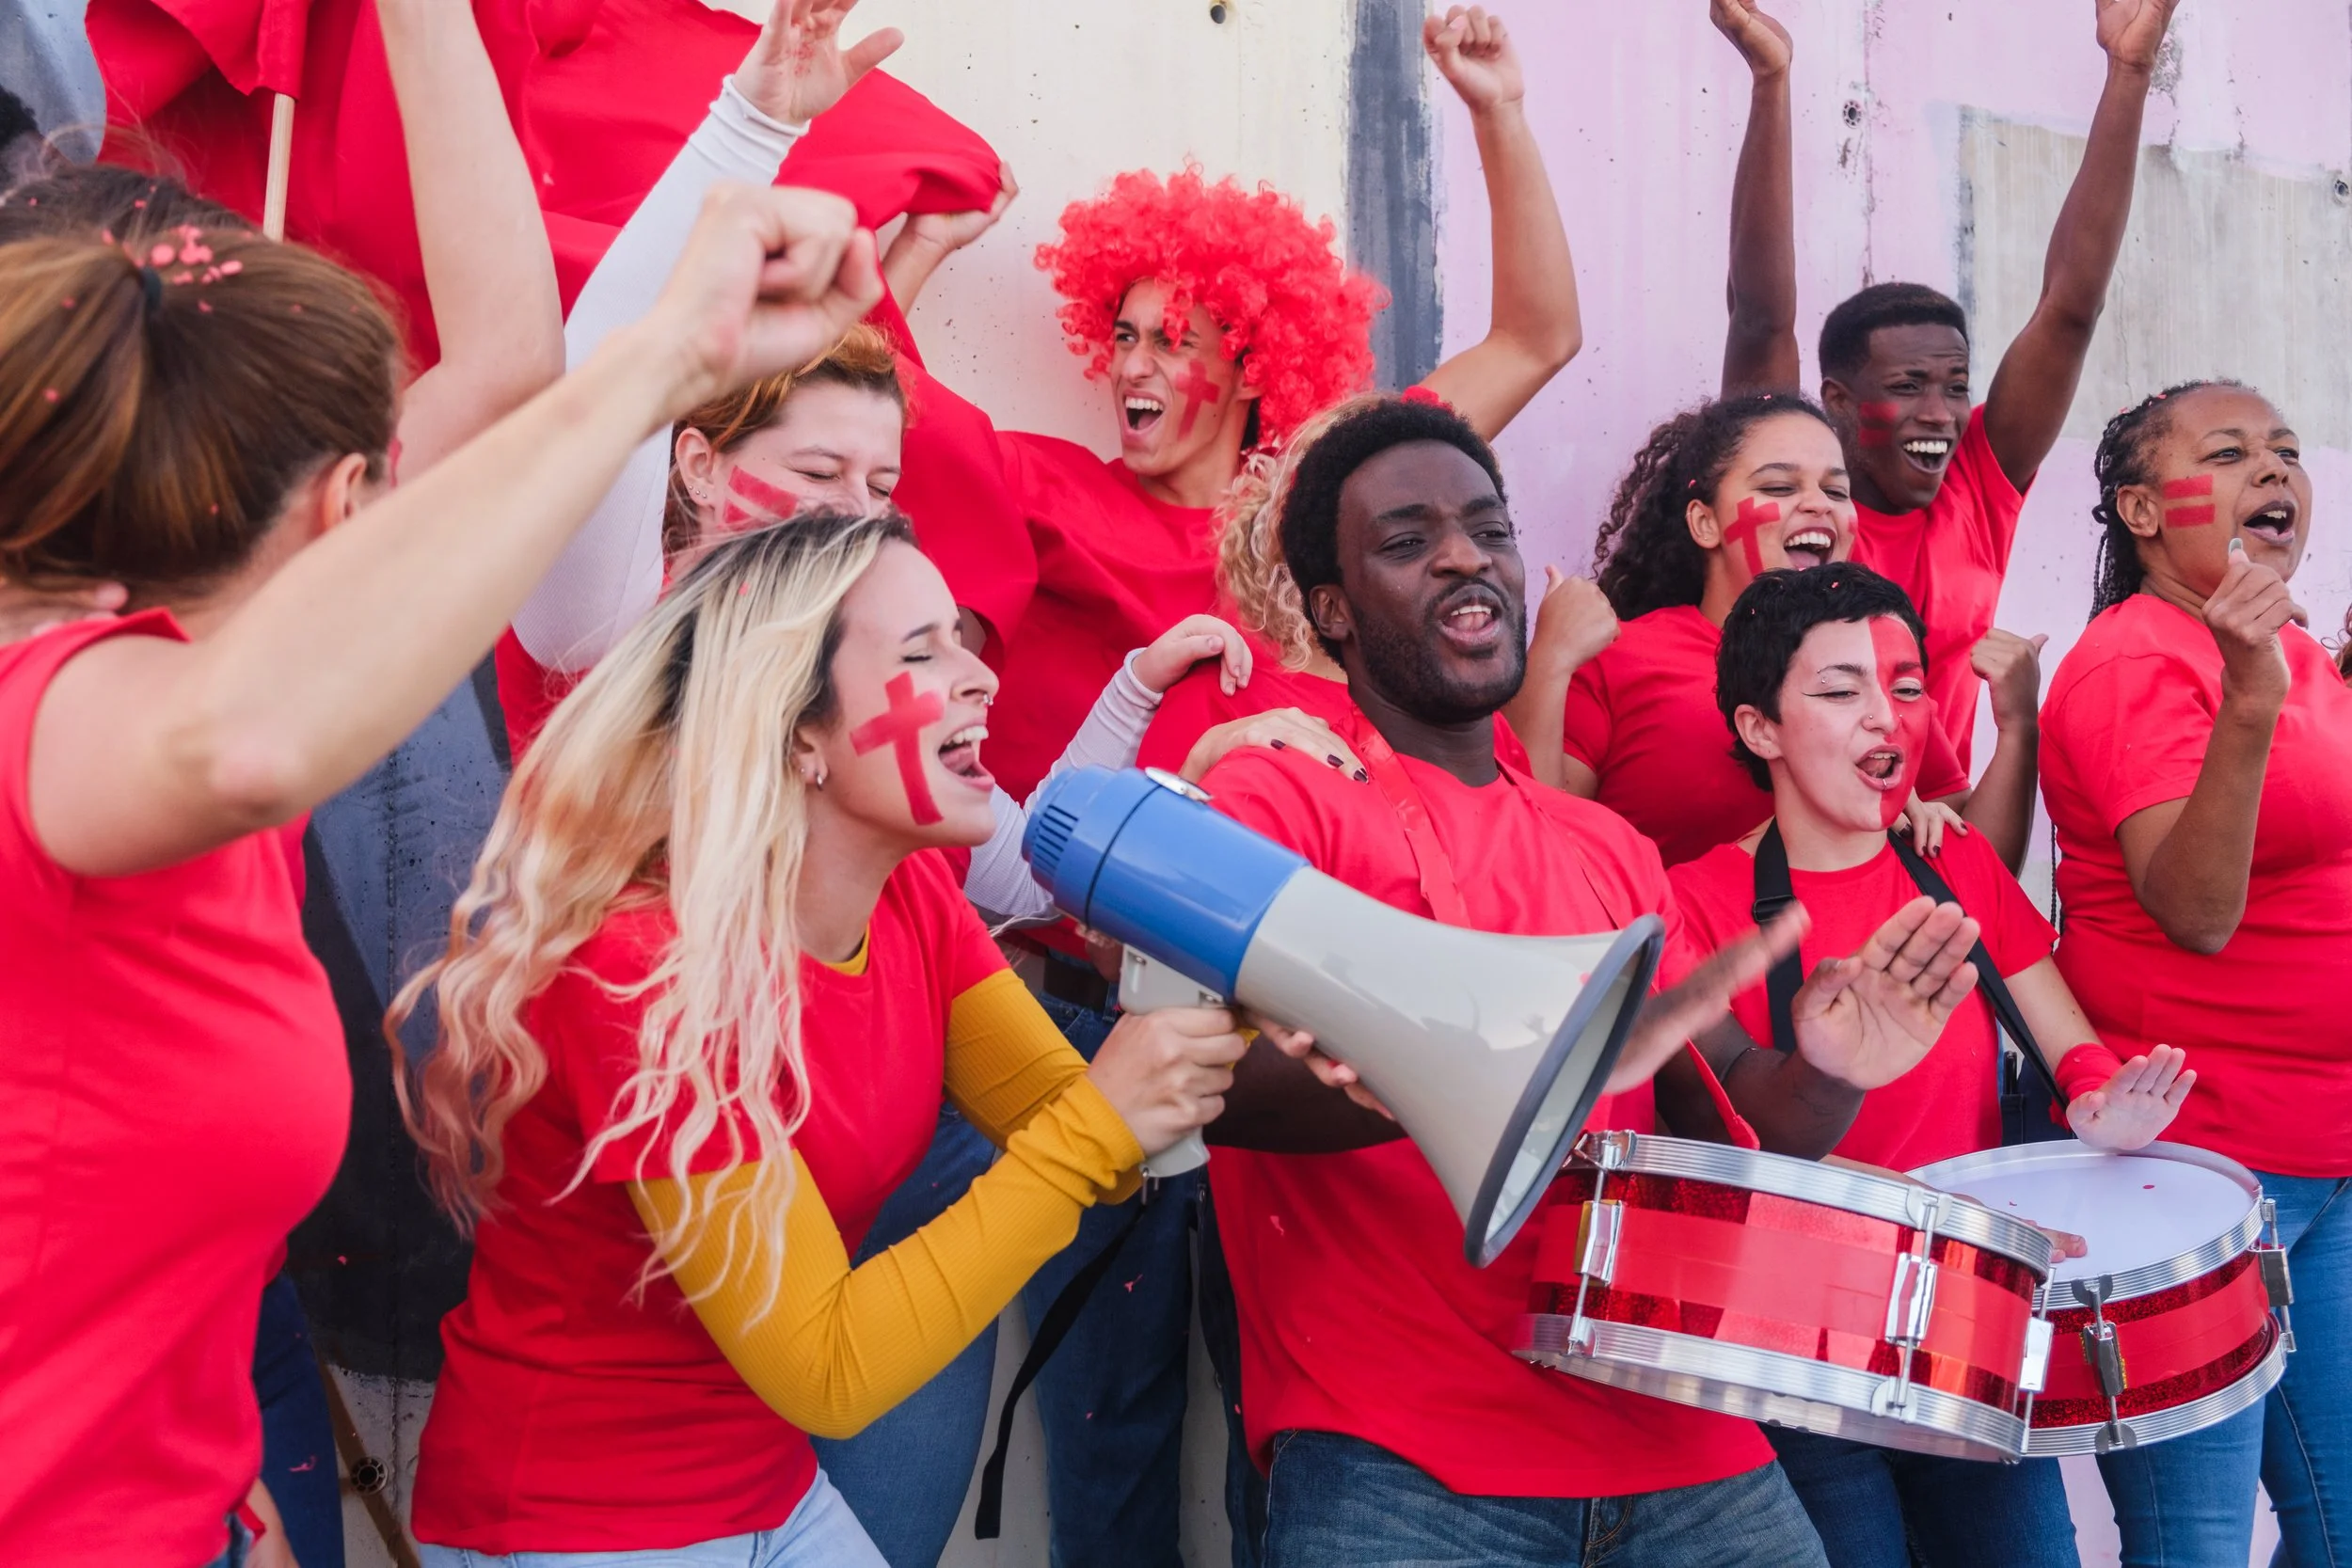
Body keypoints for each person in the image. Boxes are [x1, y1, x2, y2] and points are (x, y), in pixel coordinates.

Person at [0, 142, 882, 1563]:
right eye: (370, 476)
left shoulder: (183, 729)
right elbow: (249, 737)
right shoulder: (63, 723)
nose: (397, 516)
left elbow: (510, 359)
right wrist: (667, 359)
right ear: (314, 506)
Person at [883, 13, 1583, 1560]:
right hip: (1118, 1025)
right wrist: (914, 262)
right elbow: (887, 429)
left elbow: (1536, 340)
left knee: (1304, 1403)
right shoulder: (1054, 492)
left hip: (1349, 1021)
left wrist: (1500, 111)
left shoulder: (1339, 513)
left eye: (1173, 333)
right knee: (1116, 1419)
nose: (1135, 366)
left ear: (1253, 350)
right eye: (1119, 333)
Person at [1189, 393, 1997, 1565]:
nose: (1465, 553)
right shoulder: (1279, 794)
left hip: (1685, 1452)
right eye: (1406, 540)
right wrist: (1489, 1059)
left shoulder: (1603, 846)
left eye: (1487, 526)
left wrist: (1829, 1071)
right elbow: (1204, 1084)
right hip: (1403, 1459)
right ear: (1331, 610)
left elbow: (1733, 1110)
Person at [388, 508, 1248, 1566]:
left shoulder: (913, 898)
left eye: (963, 641)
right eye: (922, 651)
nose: (978, 675)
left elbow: (1093, 1140)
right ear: (799, 735)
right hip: (581, 1518)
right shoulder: (643, 969)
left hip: (767, 1488)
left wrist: (1235, 962)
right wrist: (1100, 1125)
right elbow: (827, 1365)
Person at [1668, 562, 2193, 1568]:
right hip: (1800, 1352)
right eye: (1840, 689)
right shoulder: (1693, 901)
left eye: (1907, 687)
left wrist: (2099, 1102)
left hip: (1970, 1328)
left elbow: (2062, 1037)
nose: (1888, 718)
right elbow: (1720, 1145)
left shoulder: (1952, 860)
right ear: (1758, 726)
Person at [2040, 380, 2352, 1567]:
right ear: (2139, 508)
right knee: (2196, 1543)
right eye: (2225, 454)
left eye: (2283, 449)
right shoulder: (2136, 661)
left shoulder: (2288, 649)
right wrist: (2250, 705)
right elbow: (2195, 910)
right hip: (2204, 1174)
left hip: (2320, 1161)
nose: (2271, 471)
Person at [1722, 0, 2179, 769]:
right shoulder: (1786, 503)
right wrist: (1772, 80)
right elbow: (1762, 320)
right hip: (1798, 841)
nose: (1939, 414)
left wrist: (2128, 73)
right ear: (1836, 401)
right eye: (1907, 386)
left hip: (1942, 837)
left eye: (1956, 385)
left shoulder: (1976, 483)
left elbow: (2070, 308)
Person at [1529, 390, 2046, 870]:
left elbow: (1979, 880)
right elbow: (1535, 848)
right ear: (1704, 523)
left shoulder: (1881, 664)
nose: (1819, 504)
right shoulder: (1617, 658)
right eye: (1779, 486)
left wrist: (2019, 726)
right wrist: (1549, 661)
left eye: (1837, 490)